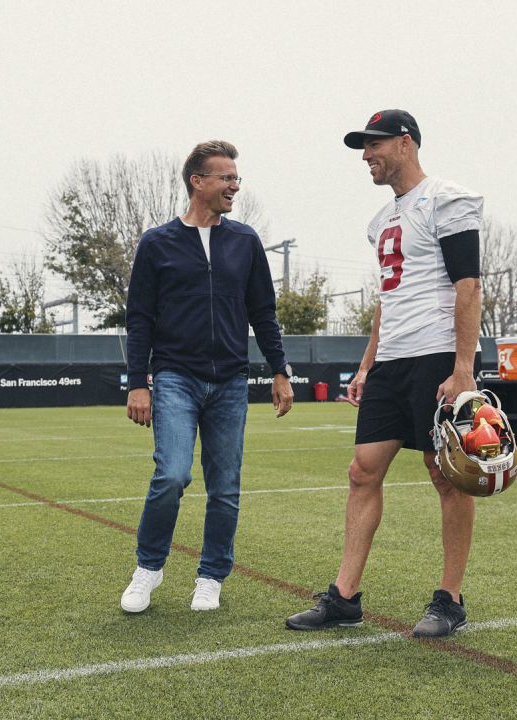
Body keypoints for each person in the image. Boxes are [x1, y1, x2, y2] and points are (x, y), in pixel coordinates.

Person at [286, 110, 484, 637]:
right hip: (393, 361)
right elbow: (386, 299)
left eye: (374, 145)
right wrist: (367, 363)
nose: (367, 156)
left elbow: (470, 284)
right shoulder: (381, 220)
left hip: (439, 355)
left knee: (446, 474)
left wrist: (463, 367)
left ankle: (450, 600)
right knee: (362, 470)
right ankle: (345, 598)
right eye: (363, 148)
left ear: (405, 142)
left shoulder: (447, 197)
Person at [121, 140, 294, 614]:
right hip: (175, 377)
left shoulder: (245, 241)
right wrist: (139, 382)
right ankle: (148, 568)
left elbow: (264, 312)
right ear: (198, 182)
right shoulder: (157, 243)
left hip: (231, 383)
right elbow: (139, 319)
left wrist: (280, 371)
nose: (234, 186)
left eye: (237, 178)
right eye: (225, 178)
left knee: (225, 487)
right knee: (173, 474)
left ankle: (211, 575)